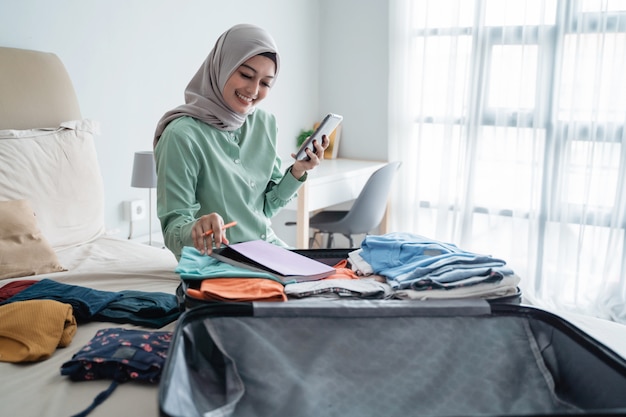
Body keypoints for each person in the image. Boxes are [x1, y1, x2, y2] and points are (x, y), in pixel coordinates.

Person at [153, 23, 328, 259]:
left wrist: (297, 171)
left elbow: (266, 208)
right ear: (222, 67)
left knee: (337, 281)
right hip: (218, 260)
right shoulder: (181, 135)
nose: (254, 90)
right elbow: (173, 231)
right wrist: (197, 229)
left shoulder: (265, 123)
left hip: (268, 251)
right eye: (246, 75)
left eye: (265, 83)